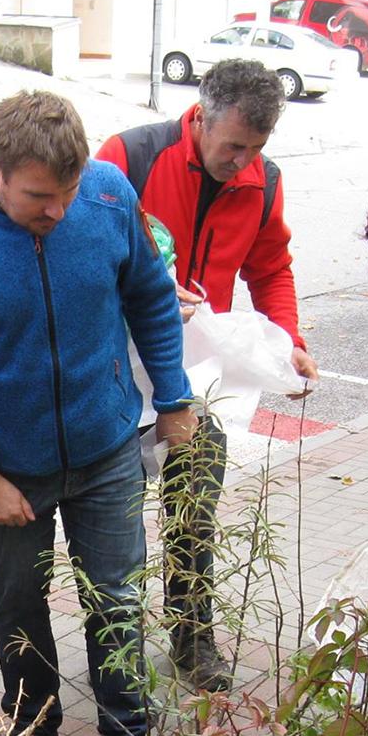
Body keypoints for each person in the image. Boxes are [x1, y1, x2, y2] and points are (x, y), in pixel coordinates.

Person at [0, 90, 196, 736]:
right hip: (11, 469)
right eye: (39, 196)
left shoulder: (107, 194)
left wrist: (175, 396)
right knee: (19, 606)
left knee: (118, 599)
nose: (58, 211)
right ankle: (32, 735)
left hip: (108, 450)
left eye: (68, 191)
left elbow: (151, 297)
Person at [97, 59, 319, 691]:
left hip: (199, 375)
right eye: (233, 146)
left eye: (255, 149)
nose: (242, 161)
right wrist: (145, 285)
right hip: (119, 370)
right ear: (202, 117)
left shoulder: (262, 182)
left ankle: (192, 639)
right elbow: (80, 242)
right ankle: (116, 643)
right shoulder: (131, 157)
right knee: (113, 514)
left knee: (194, 509)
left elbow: (271, 268)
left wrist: (290, 341)